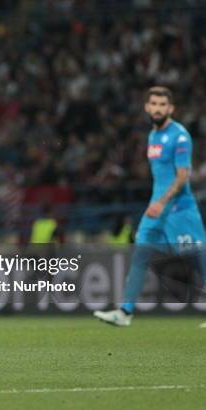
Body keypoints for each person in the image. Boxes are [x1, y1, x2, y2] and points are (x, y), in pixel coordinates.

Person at [94, 87, 206, 326]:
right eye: (153, 103)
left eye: (162, 104)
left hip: (180, 209)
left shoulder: (180, 136)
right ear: (146, 107)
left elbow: (183, 176)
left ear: (171, 108)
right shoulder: (152, 136)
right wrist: (156, 203)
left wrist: (162, 202)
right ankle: (125, 313)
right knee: (141, 253)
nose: (157, 108)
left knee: (199, 258)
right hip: (155, 210)